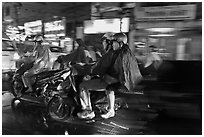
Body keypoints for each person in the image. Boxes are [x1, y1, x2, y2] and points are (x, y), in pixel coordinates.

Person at [77, 32, 142, 119]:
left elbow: (100, 66)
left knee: (83, 86)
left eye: (113, 42)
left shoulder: (114, 54)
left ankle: (88, 111)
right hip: (119, 80)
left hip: (110, 81)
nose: (111, 44)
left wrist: (83, 69)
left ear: (120, 43)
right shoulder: (126, 52)